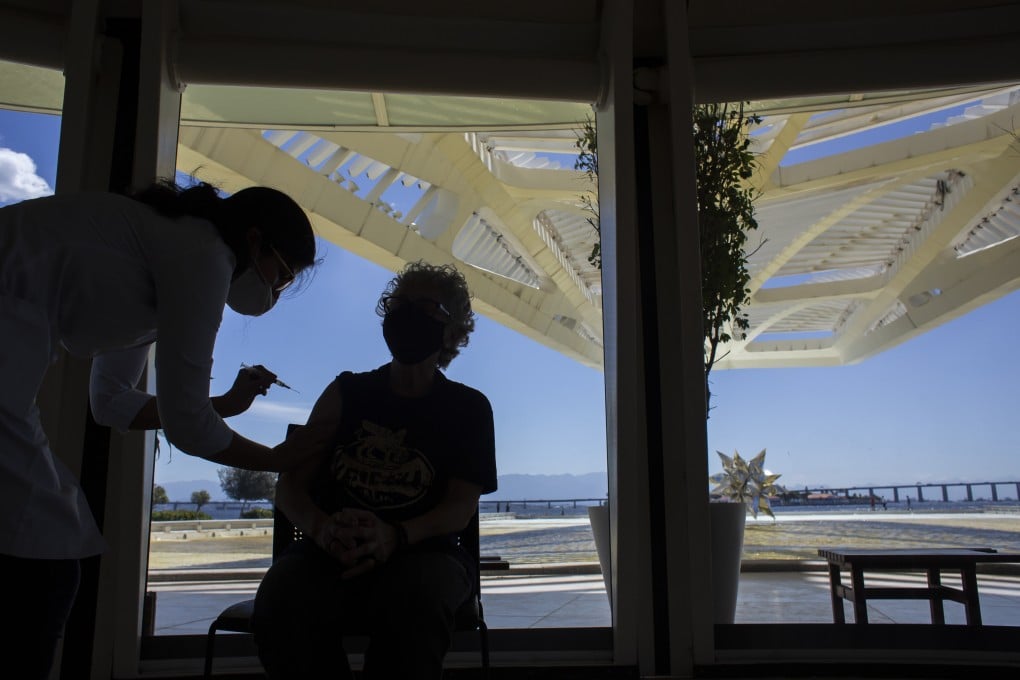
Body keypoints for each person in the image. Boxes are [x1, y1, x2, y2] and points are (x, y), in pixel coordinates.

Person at [0, 179, 327, 678]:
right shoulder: (204, 254)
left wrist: (227, 405)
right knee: (48, 559)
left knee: (45, 553)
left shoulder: (166, 256)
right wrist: (278, 460)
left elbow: (109, 403)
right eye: (280, 276)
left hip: (17, 333)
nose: (274, 295)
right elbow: (188, 425)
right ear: (254, 239)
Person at [253, 261, 497, 679]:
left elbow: (459, 509)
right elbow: (290, 488)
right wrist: (322, 529)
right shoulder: (346, 392)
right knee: (282, 600)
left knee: (414, 605)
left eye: (424, 306)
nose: (403, 315)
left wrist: (395, 536)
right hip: (328, 553)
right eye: (397, 304)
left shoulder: (469, 409)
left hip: (426, 555)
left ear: (453, 331)